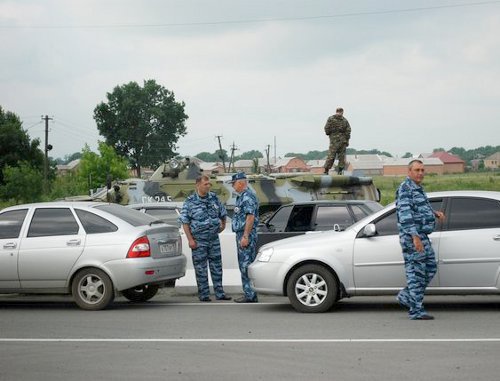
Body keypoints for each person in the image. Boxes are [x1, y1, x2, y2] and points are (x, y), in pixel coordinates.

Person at [395, 159, 445, 320]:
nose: (420, 173)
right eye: (417, 170)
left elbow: (420, 208)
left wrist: (434, 213)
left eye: (422, 170)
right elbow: (405, 215)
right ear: (409, 172)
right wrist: (414, 237)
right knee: (416, 273)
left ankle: (406, 296)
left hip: (422, 236)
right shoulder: (405, 188)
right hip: (412, 237)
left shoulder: (418, 189)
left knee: (430, 267)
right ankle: (416, 310)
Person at [179, 175, 231, 302]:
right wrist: (190, 240)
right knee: (201, 268)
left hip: (213, 239)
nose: (208, 186)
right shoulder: (190, 201)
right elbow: (185, 222)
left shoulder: (213, 198)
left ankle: (220, 293)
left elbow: (223, 213)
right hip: (199, 240)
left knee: (217, 267)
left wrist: (223, 225)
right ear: (198, 185)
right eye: (206, 184)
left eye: (209, 184)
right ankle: (204, 294)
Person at [230, 172, 259, 303]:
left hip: (246, 234)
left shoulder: (247, 197)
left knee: (245, 265)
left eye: (233, 183)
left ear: (241, 183)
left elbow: (250, 217)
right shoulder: (242, 197)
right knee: (244, 264)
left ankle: (250, 295)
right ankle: (249, 293)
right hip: (242, 234)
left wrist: (245, 236)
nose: (232, 186)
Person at [323, 107, 351, 175]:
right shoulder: (344, 120)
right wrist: (347, 140)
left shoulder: (331, 119)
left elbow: (326, 128)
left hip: (334, 141)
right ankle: (340, 171)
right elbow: (348, 131)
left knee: (331, 156)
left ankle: (326, 170)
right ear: (342, 112)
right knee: (341, 157)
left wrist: (330, 134)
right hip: (342, 141)